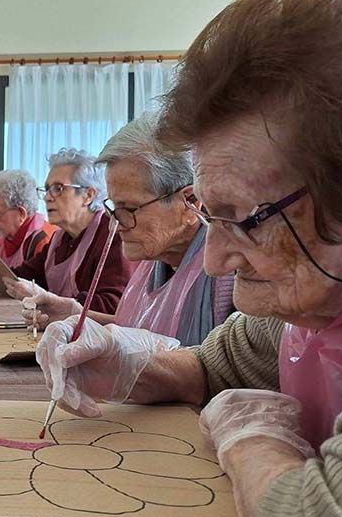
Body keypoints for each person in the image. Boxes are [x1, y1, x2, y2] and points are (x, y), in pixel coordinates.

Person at [35, 0, 342, 517]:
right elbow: (217, 363)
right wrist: (126, 360)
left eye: (246, 219)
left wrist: (249, 433)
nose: (220, 256)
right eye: (213, 218)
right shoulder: (331, 295)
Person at [21, 114, 235, 345]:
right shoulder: (154, 258)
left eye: (130, 208)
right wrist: (75, 314)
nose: (115, 223)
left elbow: (218, 366)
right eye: (114, 206)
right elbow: (141, 329)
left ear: (191, 202)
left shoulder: (229, 273)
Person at [4, 149, 132, 312]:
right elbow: (23, 275)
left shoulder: (113, 235)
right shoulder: (60, 238)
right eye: (47, 189)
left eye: (58, 188)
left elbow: (112, 306)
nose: (47, 197)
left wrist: (50, 299)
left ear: (88, 195)